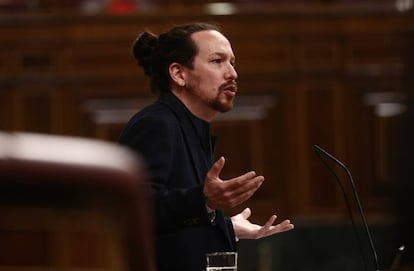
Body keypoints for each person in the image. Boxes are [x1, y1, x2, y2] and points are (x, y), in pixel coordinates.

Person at [119, 22, 294, 271]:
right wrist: (205, 201)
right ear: (179, 74)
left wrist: (224, 227)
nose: (232, 73)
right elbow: (132, 209)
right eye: (217, 61)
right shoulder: (157, 124)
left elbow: (174, 219)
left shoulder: (189, 126)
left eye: (232, 62)